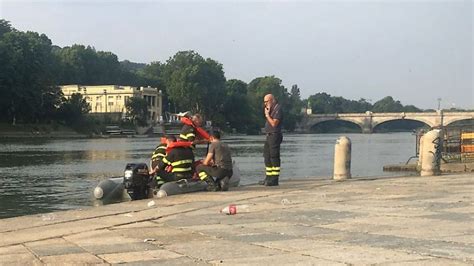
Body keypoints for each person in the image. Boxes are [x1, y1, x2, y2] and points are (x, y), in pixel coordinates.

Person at [259, 93, 283, 186]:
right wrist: (268, 113)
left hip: (275, 135)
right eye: (264, 102)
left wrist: (267, 115)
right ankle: (268, 178)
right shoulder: (271, 110)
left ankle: (274, 179)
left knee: (274, 157)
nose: (265, 104)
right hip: (268, 136)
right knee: (267, 157)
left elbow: (274, 124)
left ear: (272, 100)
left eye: (267, 101)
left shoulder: (278, 109)